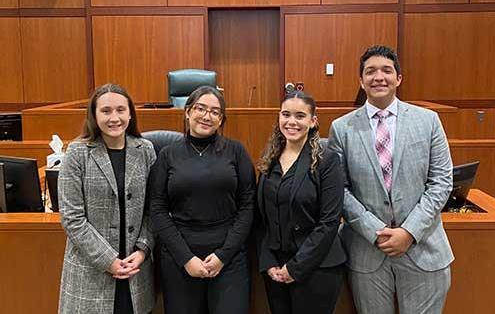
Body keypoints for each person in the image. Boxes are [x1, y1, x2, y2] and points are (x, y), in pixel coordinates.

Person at [329, 45, 454, 314]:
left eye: (387, 70)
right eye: (370, 71)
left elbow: (442, 181)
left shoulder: (429, 121)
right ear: (361, 81)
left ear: (399, 78)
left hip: (424, 248)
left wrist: (409, 232)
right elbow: (339, 190)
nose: (379, 77)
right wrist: (376, 232)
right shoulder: (342, 128)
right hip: (368, 251)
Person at [148, 85, 255, 314]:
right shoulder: (167, 155)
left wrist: (223, 256)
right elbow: (157, 208)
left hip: (229, 255)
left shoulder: (236, 151)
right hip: (180, 256)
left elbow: (247, 206)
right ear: (187, 111)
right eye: (201, 108)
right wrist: (186, 258)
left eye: (215, 112)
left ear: (221, 119)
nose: (207, 116)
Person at [58, 83, 156, 314]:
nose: (114, 118)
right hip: (90, 272)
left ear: (130, 114)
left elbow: (154, 209)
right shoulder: (77, 153)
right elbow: (72, 218)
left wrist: (143, 250)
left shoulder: (145, 150)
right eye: (106, 111)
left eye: (121, 110)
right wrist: (108, 260)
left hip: (136, 272)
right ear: (94, 115)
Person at [256, 90, 346, 314]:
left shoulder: (327, 160)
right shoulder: (270, 158)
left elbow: (330, 221)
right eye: (286, 114)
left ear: (313, 121)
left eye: (300, 116)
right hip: (276, 268)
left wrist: (295, 268)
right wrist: (268, 262)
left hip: (317, 267)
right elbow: (261, 217)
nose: (291, 122)